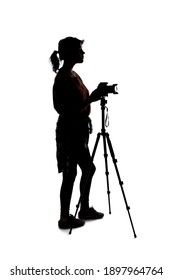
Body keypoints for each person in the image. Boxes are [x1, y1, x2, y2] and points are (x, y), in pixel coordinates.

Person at [50, 36, 104, 229]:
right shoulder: (61, 78)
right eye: (80, 50)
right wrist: (91, 100)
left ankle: (84, 208)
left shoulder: (74, 75)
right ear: (70, 53)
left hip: (80, 131)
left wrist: (95, 94)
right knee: (70, 173)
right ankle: (64, 218)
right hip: (69, 131)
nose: (83, 53)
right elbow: (64, 109)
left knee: (88, 168)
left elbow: (83, 100)